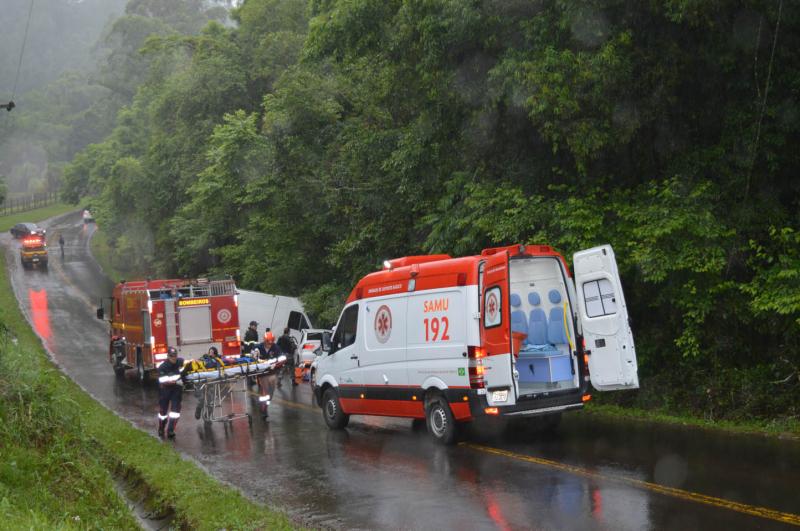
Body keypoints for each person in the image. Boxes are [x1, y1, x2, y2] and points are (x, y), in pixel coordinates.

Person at [157, 347, 185, 438]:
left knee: (175, 411)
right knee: (163, 413)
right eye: (172, 356)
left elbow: (184, 365)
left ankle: (170, 430)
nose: (174, 358)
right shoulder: (163, 367)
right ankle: (161, 428)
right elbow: (162, 380)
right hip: (165, 390)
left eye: (175, 356)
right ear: (168, 356)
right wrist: (175, 381)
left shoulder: (179, 362)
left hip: (176, 390)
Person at [255, 331, 281, 420]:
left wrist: (277, 364)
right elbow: (253, 359)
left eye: (271, 342)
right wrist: (255, 355)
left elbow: (280, 358)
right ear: (264, 341)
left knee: (271, 392)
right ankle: (263, 409)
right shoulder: (258, 347)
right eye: (268, 342)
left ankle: (266, 404)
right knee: (264, 390)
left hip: (272, 372)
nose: (269, 345)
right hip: (262, 373)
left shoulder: (276, 348)